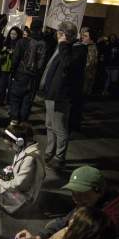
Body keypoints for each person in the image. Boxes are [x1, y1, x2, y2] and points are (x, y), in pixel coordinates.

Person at [40, 22, 87, 169]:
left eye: (60, 33)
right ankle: (50, 151)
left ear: (65, 35)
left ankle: (60, 157)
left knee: (59, 128)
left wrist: (63, 44)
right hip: (51, 93)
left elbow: (68, 63)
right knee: (49, 125)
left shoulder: (78, 49)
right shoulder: (62, 47)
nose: (57, 35)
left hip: (62, 95)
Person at [9, 20, 46, 126]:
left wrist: (13, 72)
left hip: (21, 74)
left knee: (16, 98)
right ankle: (23, 121)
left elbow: (15, 60)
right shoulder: (43, 44)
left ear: (31, 28)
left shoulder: (22, 42)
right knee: (27, 100)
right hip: (34, 77)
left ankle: (14, 120)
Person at [0, 27, 22, 106]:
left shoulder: (19, 43)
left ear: (18, 35)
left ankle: (8, 101)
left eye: (15, 34)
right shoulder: (6, 41)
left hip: (13, 67)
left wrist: (13, 52)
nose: (12, 35)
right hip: (4, 66)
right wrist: (4, 50)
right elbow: (1, 52)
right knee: (2, 85)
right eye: (11, 33)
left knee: (10, 86)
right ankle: (0, 101)